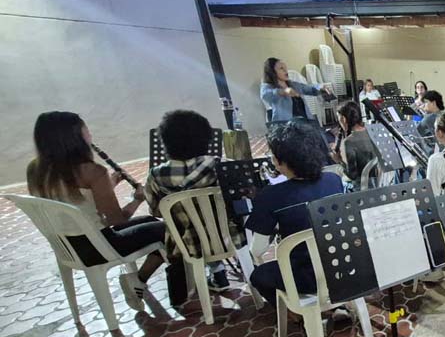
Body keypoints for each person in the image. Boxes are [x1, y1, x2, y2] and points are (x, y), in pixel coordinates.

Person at [26, 111, 165, 309]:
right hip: (99, 246)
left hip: (68, 246)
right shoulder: (91, 171)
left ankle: (139, 280)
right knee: (171, 230)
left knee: (150, 222)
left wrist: (107, 186)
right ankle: (138, 280)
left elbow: (74, 199)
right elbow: (118, 221)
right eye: (86, 131)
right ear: (74, 138)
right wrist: (137, 199)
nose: (90, 136)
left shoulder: (36, 169)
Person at [145, 110, 244, 304]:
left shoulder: (156, 175)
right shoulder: (220, 165)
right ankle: (222, 270)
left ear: (166, 143)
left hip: (188, 245)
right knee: (216, 221)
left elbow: (156, 211)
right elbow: (239, 198)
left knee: (183, 227)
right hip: (230, 239)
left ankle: (214, 273)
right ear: (206, 139)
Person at [248, 122, 344, 306]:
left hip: (304, 276)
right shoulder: (334, 180)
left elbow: (257, 251)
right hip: (341, 266)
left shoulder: (270, 196)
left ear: (279, 160)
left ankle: (298, 315)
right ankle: (337, 307)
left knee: (259, 276)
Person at [260, 58, 324, 122]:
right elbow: (265, 94)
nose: (286, 70)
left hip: (305, 123)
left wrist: (320, 87)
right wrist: (283, 91)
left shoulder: (292, 84)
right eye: (281, 68)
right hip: (287, 127)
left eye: (285, 68)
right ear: (272, 72)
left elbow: (307, 88)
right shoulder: (268, 86)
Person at [336, 101, 377, 188]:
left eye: (339, 119)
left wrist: (339, 160)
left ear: (344, 119)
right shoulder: (373, 132)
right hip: (379, 182)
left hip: (362, 187)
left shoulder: (348, 142)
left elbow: (352, 175)